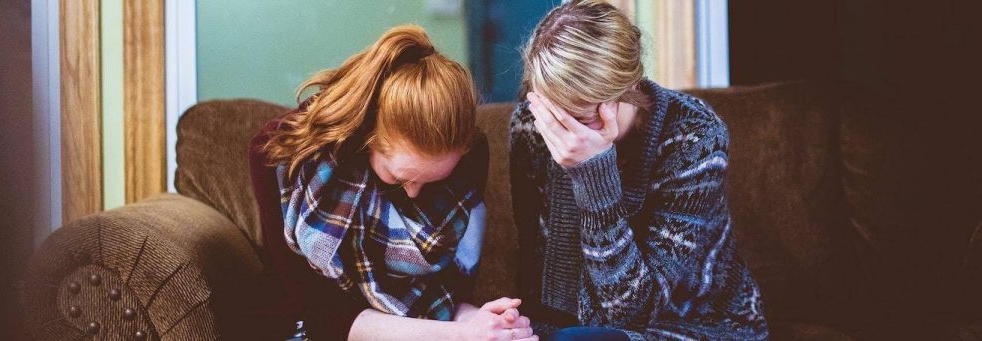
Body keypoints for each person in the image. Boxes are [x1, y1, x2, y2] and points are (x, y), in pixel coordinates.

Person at [250, 25, 536, 340]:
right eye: (400, 178)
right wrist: (460, 335)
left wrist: (481, 323)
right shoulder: (282, 157)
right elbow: (320, 313)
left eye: (431, 182)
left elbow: (448, 292)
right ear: (367, 136)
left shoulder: (469, 158)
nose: (414, 194)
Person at [508, 1, 770, 340]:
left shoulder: (694, 137)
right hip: (575, 329)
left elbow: (633, 311)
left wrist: (594, 176)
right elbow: (534, 270)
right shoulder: (532, 127)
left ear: (625, 91)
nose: (560, 130)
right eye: (551, 111)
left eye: (579, 116)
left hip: (699, 325)